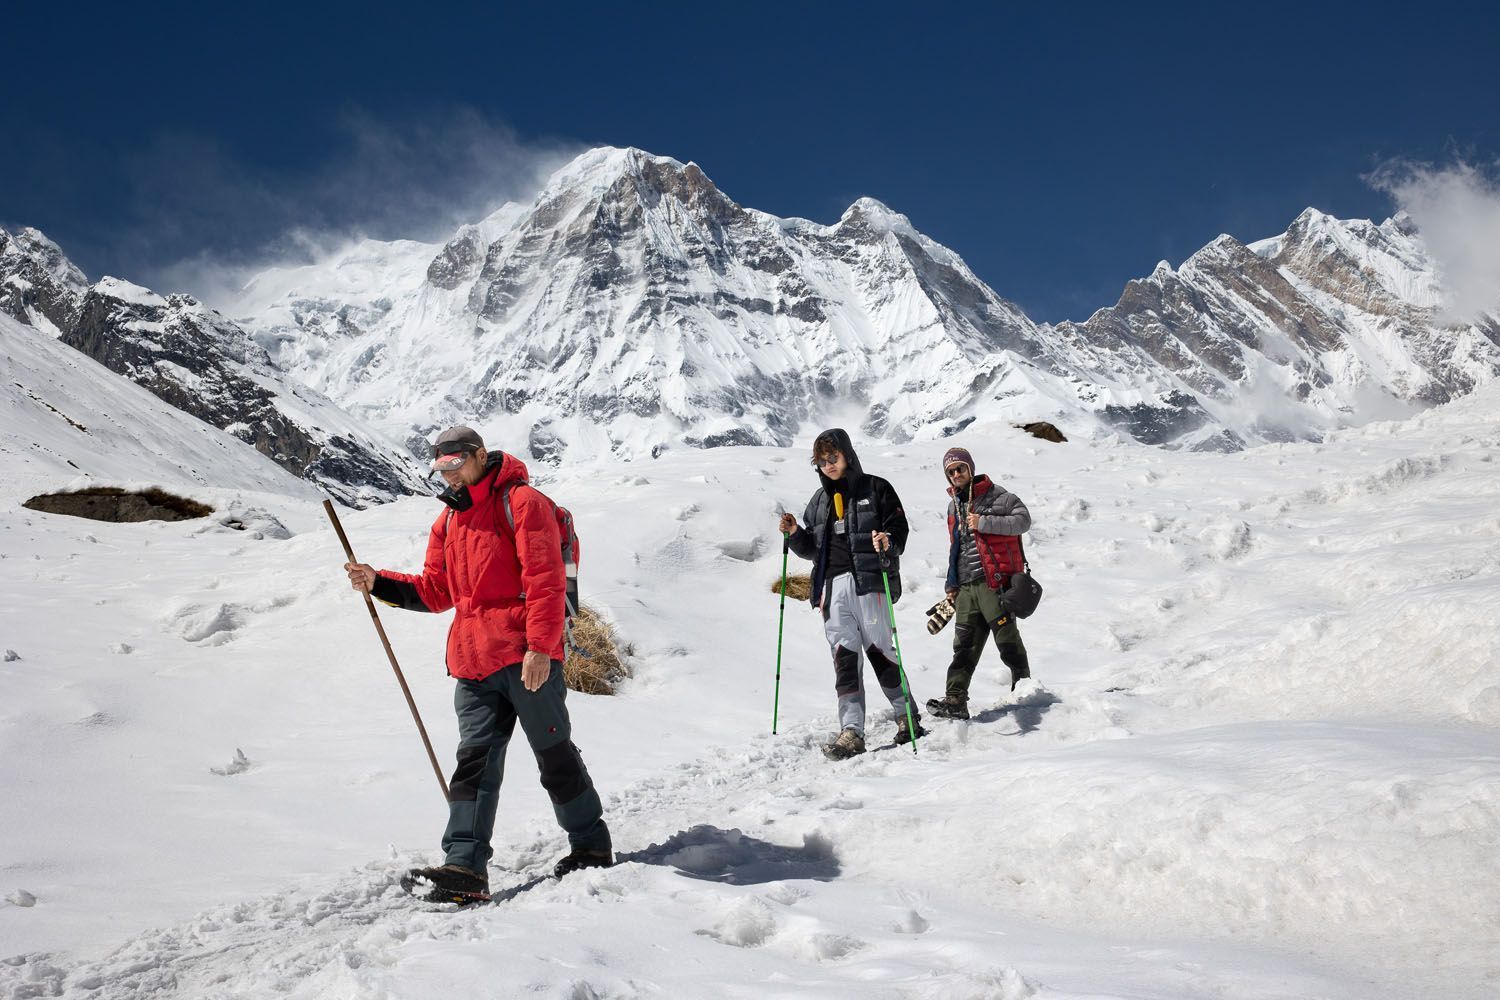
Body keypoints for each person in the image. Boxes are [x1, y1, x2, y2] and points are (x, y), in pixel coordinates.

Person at [345, 425, 611, 902]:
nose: (449, 476)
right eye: (441, 469)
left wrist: (540, 647)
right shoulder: (449, 520)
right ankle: (465, 868)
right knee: (474, 765)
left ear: (479, 455)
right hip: (473, 661)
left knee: (553, 756)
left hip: (526, 656)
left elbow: (546, 581)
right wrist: (377, 581)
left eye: (456, 465)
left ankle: (591, 844)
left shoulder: (524, 503)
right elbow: (436, 591)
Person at [778, 428, 924, 759]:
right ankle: (852, 731)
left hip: (869, 583)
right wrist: (795, 534)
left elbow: (898, 529)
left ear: (847, 455)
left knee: (880, 651)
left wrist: (888, 540)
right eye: (821, 461)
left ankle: (907, 716)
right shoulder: (818, 502)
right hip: (832, 588)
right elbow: (813, 550)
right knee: (844, 659)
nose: (828, 465)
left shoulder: (876, 488)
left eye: (834, 457)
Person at [926, 446, 1033, 720]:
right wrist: (952, 585)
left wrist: (983, 522)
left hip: (992, 583)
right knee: (963, 645)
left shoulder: (998, 495)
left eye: (960, 468)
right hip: (966, 587)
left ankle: (1026, 691)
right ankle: (955, 700)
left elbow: (1023, 521)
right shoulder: (953, 505)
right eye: (950, 471)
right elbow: (956, 547)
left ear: (970, 468)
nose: (956, 474)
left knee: (1007, 639)